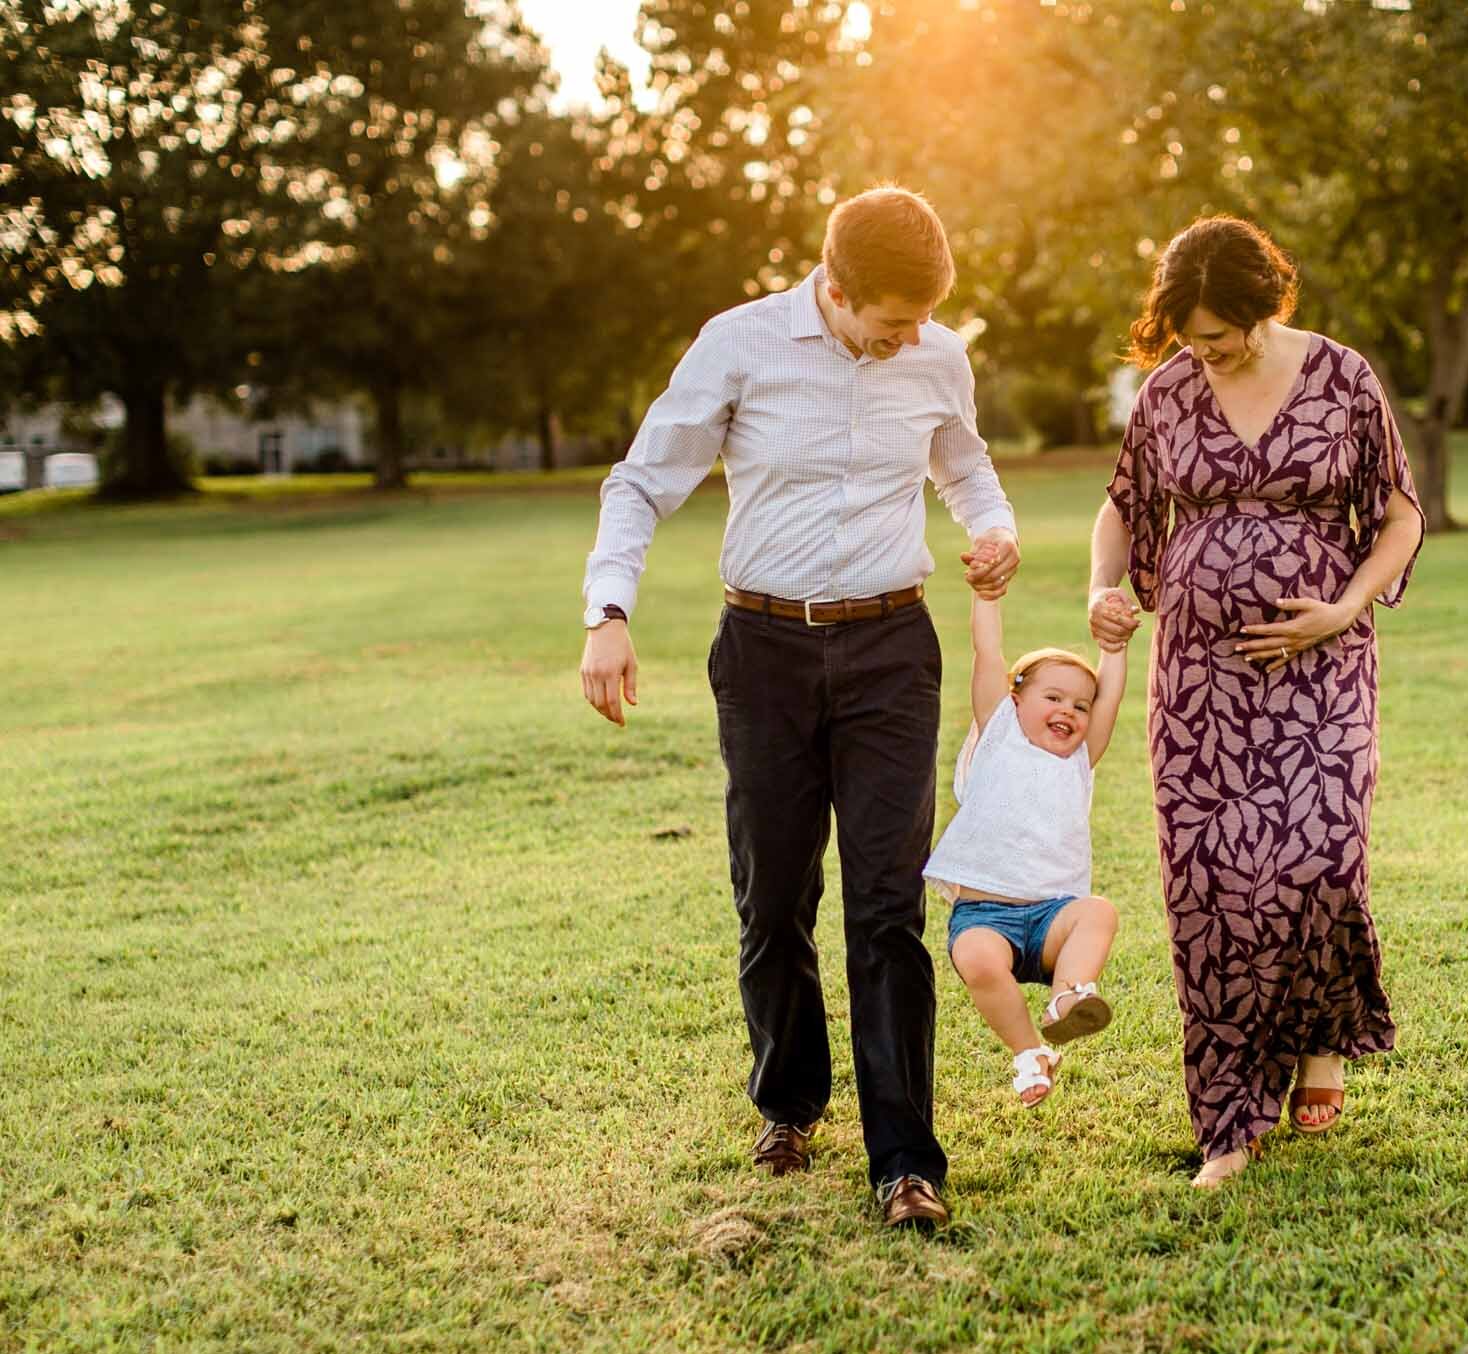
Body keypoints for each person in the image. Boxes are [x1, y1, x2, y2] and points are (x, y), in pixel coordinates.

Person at [578, 187, 1021, 1232]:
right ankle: (788, 1102)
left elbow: (964, 462)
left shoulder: (936, 354)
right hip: (765, 649)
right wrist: (607, 611)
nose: (910, 337)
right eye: (890, 320)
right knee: (772, 895)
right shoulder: (738, 346)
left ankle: (905, 1162)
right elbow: (640, 484)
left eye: (922, 319)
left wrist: (991, 523)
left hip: (889, 649)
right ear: (832, 288)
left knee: (885, 908)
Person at [1086, 216, 1424, 1188]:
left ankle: (1318, 1040)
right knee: (1208, 887)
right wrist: (1103, 587)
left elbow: (1397, 513)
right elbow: (1124, 504)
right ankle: (1228, 1119)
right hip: (1199, 675)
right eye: (1190, 336)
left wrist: (1343, 610)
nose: (1207, 351)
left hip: (1321, 660)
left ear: (1262, 304)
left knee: (1317, 855)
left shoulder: (1340, 378)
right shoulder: (1167, 391)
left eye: (1219, 333)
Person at [922, 584, 1127, 1107]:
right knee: (975, 958)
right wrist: (986, 597)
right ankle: (1029, 1052)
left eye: (1080, 705)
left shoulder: (1078, 759)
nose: (1070, 712)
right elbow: (988, 652)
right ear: (1015, 700)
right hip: (986, 916)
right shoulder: (999, 735)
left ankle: (1069, 995)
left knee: (1098, 913)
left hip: (1053, 914)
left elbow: (1111, 698)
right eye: (1053, 698)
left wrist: (1115, 648)